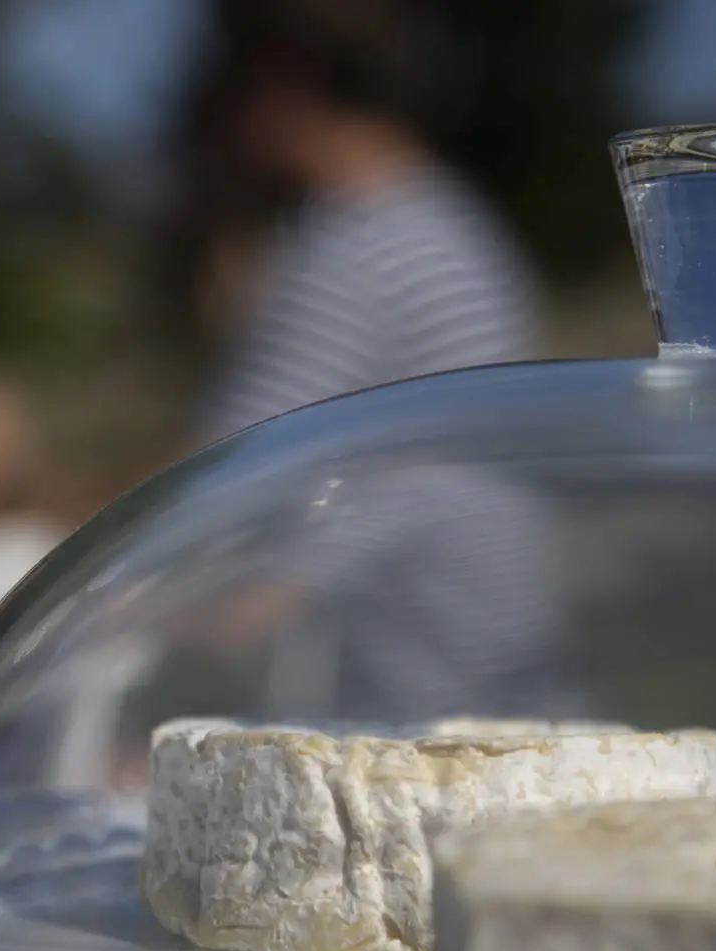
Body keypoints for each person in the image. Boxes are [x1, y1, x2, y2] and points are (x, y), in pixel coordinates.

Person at [140, 0, 575, 727]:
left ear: (280, 78)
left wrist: (16, 493)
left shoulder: (357, 249)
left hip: (420, 717)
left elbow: (203, 486)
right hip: (493, 687)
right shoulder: (453, 221)